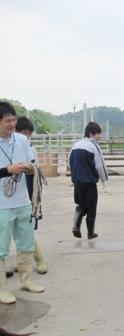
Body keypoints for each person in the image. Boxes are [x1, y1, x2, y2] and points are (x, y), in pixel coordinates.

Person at [0, 101, 44, 304]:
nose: (12, 124)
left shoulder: (21, 140)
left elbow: (32, 163)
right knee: (1, 249)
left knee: (26, 244)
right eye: (8, 121)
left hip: (23, 201)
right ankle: (2, 289)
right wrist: (8, 170)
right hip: (2, 206)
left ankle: (26, 280)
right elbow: (8, 169)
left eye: (13, 120)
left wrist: (27, 168)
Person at [15, 116, 48, 274]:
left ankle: (39, 260)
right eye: (22, 132)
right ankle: (20, 262)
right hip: (7, 195)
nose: (25, 136)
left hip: (25, 193)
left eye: (28, 133)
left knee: (25, 229)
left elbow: (34, 174)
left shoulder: (29, 148)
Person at [69, 122, 108, 239]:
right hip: (90, 182)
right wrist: (104, 180)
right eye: (98, 134)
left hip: (77, 182)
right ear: (91, 134)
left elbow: (70, 162)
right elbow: (100, 165)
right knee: (91, 207)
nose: (99, 137)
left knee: (81, 204)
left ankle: (76, 224)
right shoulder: (94, 146)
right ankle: (90, 233)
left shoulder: (75, 146)